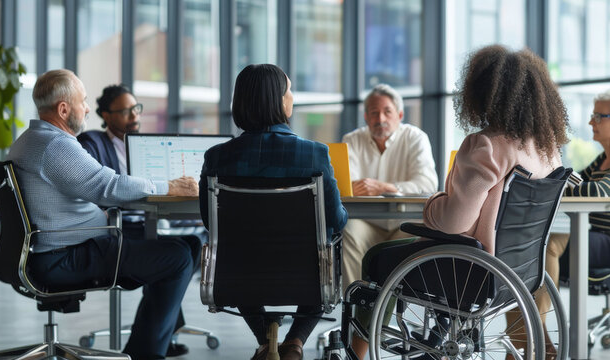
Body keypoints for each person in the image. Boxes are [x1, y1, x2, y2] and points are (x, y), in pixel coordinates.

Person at [350, 45, 570, 359]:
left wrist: (434, 202)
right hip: (520, 272)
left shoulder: (485, 144)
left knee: (376, 258)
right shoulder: (548, 150)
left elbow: (454, 223)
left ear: (481, 93)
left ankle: (358, 353)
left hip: (470, 272)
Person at [7, 69, 200, 360]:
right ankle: (146, 354)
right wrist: (169, 186)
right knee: (178, 257)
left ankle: (149, 344)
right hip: (64, 255)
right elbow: (107, 186)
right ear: (63, 109)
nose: (86, 108)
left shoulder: (29, 139)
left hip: (56, 250)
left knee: (190, 246)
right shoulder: (55, 145)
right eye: (83, 101)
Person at [198, 64, 348, 360]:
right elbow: (336, 220)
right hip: (306, 277)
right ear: (278, 100)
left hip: (238, 277)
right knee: (332, 248)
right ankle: (294, 342)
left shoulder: (216, 157)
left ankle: (267, 341)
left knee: (237, 253)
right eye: (289, 90)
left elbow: (210, 223)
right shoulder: (314, 153)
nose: (292, 96)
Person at [76, 84, 198, 357]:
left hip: (147, 220)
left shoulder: (145, 145)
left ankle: (159, 333)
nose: (134, 116)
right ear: (106, 115)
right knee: (176, 255)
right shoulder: (93, 143)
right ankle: (152, 343)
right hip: (120, 225)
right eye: (124, 111)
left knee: (192, 244)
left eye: (136, 108)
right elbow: (103, 191)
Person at [542, 87, 610, 311]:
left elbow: (602, 191)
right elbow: (573, 182)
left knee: (549, 244)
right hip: (599, 239)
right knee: (537, 244)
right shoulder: (604, 158)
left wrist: (559, 188)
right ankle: (534, 330)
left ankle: (540, 330)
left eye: (598, 117)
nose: (592, 123)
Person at [340, 83, 438, 291]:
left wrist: (384, 187)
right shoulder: (351, 140)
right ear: (366, 117)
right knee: (347, 229)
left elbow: (428, 183)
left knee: (421, 237)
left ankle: (390, 303)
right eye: (374, 113)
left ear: (400, 114)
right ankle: (356, 300)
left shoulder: (415, 138)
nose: (380, 119)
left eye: (387, 112)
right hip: (366, 223)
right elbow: (348, 185)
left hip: (404, 224)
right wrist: (355, 187)